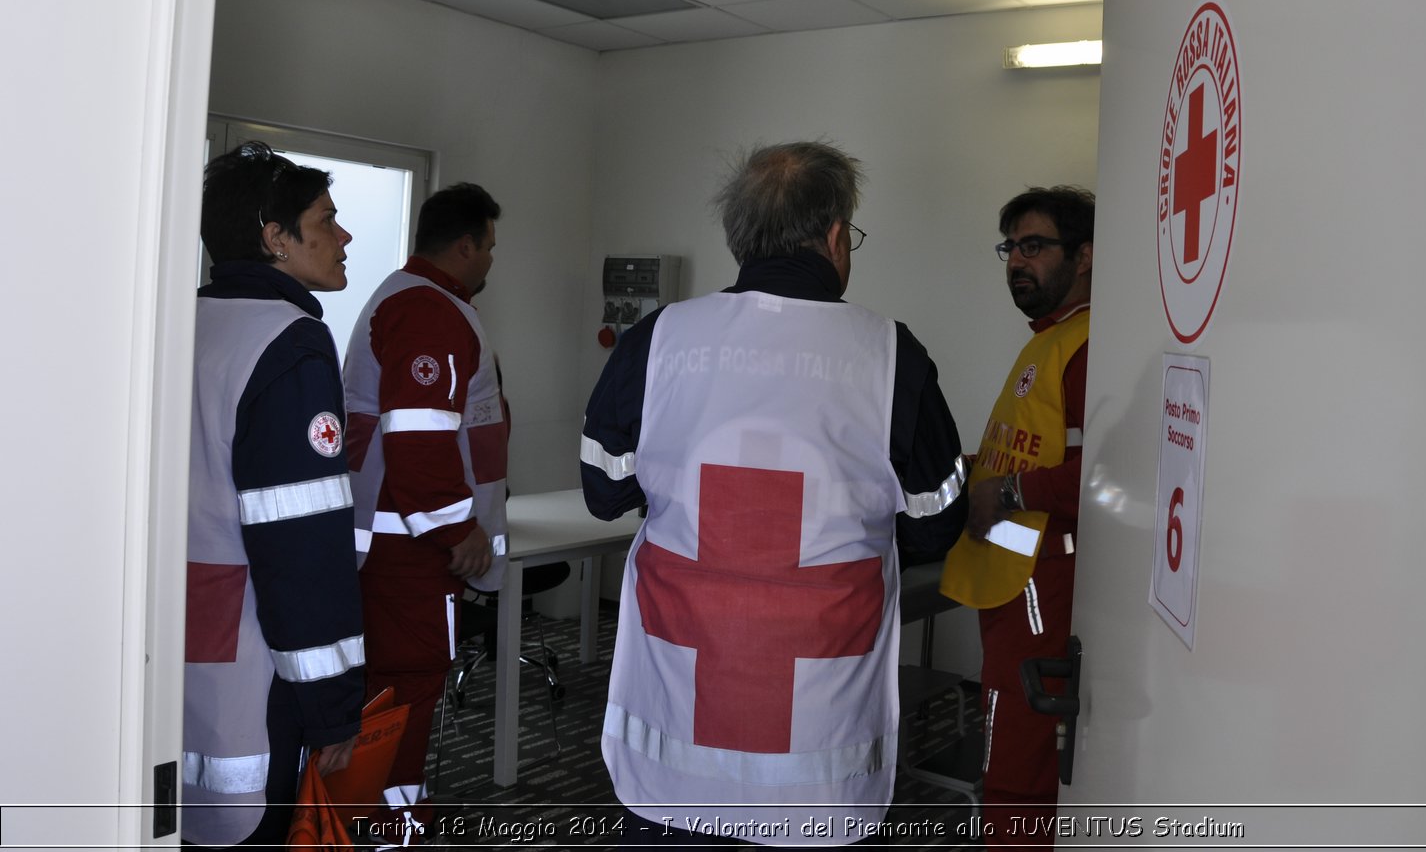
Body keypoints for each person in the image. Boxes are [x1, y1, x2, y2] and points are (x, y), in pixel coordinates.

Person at [580, 141, 969, 847]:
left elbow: (603, 489)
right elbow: (938, 522)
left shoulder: (657, 340)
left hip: (671, 763)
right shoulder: (890, 355)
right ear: (832, 237)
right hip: (822, 770)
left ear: (738, 238)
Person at [184, 143, 365, 847]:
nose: (343, 235)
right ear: (274, 236)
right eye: (326, 218)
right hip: (257, 661)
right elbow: (301, 543)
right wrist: (332, 705)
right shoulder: (290, 343)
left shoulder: (182, 322)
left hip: (179, 633)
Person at [342, 183, 508, 845]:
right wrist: (456, 527)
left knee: (395, 690)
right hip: (408, 552)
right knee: (404, 692)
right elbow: (419, 435)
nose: (492, 259)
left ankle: (386, 813)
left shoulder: (417, 300)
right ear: (465, 245)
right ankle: (390, 824)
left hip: (395, 546)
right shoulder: (427, 309)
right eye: (490, 246)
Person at [940, 186, 1093, 847]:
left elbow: (1102, 476)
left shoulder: (1085, 346)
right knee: (1010, 758)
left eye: (1034, 246)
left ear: (1084, 255)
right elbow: (1020, 450)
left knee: (1018, 773)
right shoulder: (1048, 341)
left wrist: (1002, 494)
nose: (1015, 262)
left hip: (1040, 597)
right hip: (1011, 588)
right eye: (1010, 248)